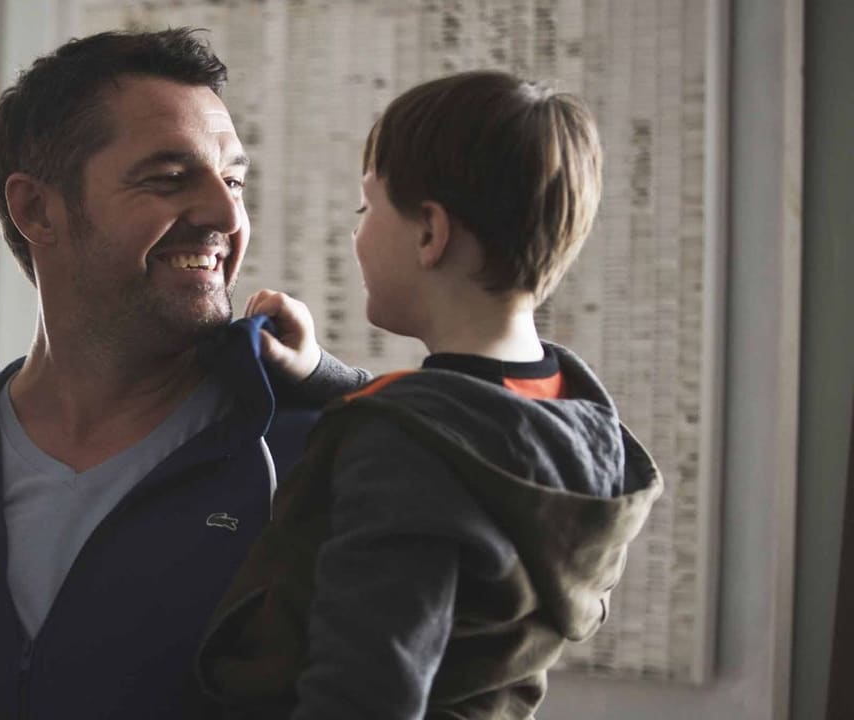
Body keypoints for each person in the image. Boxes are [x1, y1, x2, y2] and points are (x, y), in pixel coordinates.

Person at [0, 28, 367, 720]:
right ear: (37, 209)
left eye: (233, 180)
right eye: (168, 178)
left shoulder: (323, 464)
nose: (226, 214)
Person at [197, 70, 665, 719]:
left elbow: (364, 697)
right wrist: (319, 373)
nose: (357, 233)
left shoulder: (405, 448)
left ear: (429, 235)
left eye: (367, 208)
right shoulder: (570, 415)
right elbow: (452, 428)